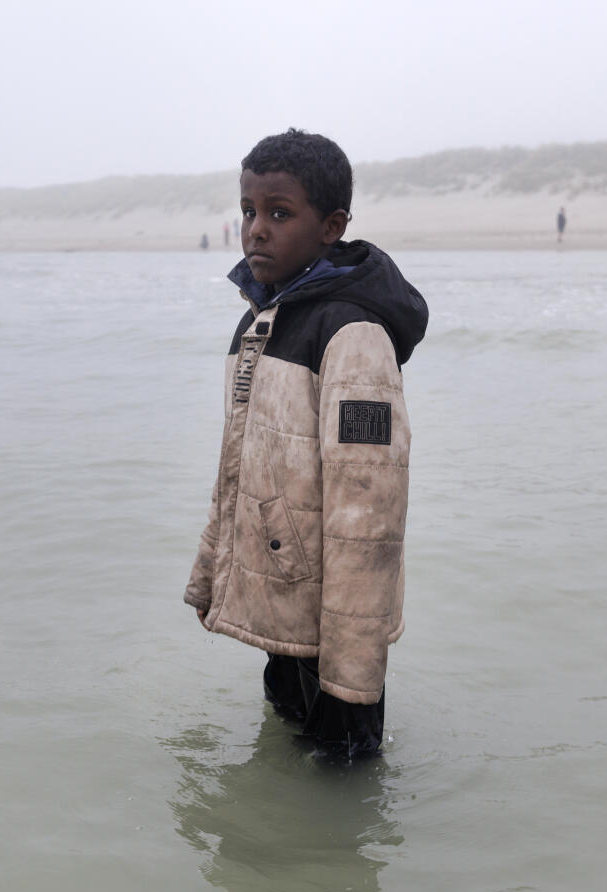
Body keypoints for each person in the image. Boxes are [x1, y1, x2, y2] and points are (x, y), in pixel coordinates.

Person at [184, 128, 428, 760]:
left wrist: (351, 680)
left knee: (342, 787)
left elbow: (368, 514)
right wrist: (212, 575)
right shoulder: (263, 319)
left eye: (279, 213)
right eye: (248, 211)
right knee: (282, 776)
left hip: (334, 632)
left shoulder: (352, 337)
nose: (256, 230)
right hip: (285, 613)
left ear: (332, 225)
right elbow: (238, 466)